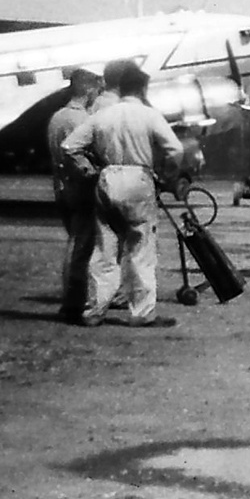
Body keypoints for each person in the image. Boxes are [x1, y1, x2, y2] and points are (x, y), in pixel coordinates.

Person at [61, 63, 185, 328]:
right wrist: (168, 176)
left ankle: (94, 310)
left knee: (104, 249)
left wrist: (88, 170)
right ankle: (142, 312)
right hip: (138, 179)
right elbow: (175, 149)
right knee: (141, 247)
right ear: (142, 88)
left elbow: (70, 146)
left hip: (106, 178)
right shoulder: (149, 115)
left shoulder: (103, 115)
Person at [46, 68, 102, 322]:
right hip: (80, 188)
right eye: (96, 91)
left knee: (75, 242)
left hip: (61, 186)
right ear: (89, 90)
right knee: (82, 246)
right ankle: (74, 302)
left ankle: (73, 299)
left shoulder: (57, 117)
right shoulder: (81, 120)